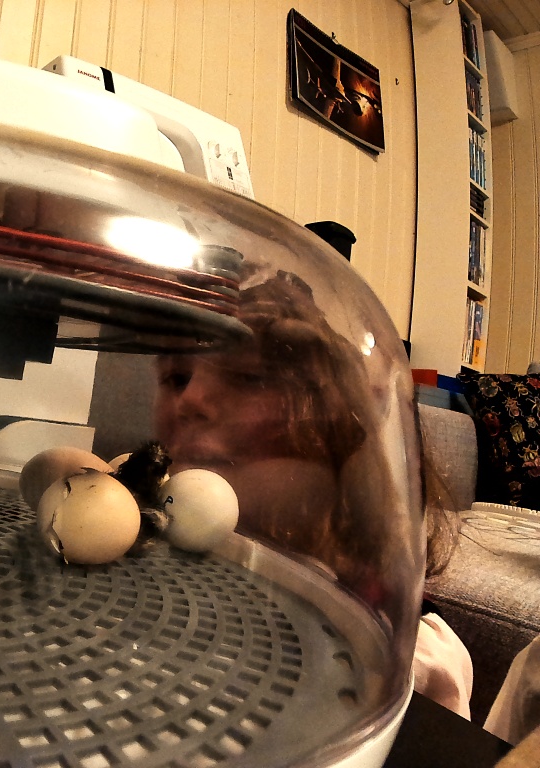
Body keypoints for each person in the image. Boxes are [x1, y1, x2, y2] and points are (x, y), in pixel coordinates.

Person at [152, 268, 472, 716]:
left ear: (334, 428)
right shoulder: (157, 536)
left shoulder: (398, 659)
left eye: (248, 377)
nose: (190, 399)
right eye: (177, 377)